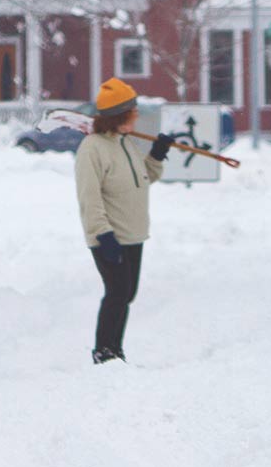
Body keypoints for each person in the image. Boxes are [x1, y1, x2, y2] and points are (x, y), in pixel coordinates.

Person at [73, 78, 175, 364]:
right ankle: (105, 353)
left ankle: (115, 351)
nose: (137, 115)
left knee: (127, 294)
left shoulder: (125, 142)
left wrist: (157, 155)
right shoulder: (92, 149)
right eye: (132, 111)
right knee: (117, 293)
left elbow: (142, 179)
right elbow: (88, 198)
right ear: (119, 115)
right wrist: (102, 234)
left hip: (133, 234)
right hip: (110, 236)